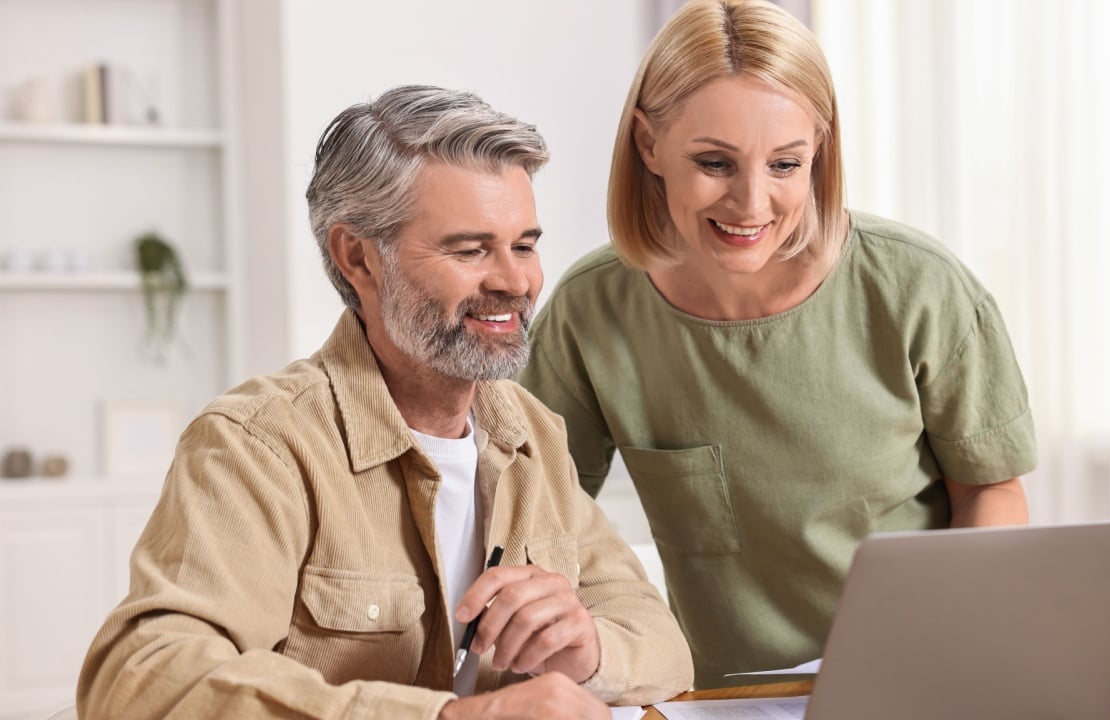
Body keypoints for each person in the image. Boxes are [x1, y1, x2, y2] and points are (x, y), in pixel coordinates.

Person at [77, 85, 693, 720]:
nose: (515, 281)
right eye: (470, 248)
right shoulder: (257, 443)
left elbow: (663, 645)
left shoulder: (530, 433)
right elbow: (143, 681)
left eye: (525, 244)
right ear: (358, 258)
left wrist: (587, 648)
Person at [518, 0, 1036, 689]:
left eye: (786, 164)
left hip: (916, 683)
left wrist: (956, 644)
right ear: (648, 145)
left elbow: (991, 489)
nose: (752, 204)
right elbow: (540, 518)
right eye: (714, 162)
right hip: (722, 701)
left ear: (819, 148)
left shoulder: (920, 288)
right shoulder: (591, 312)